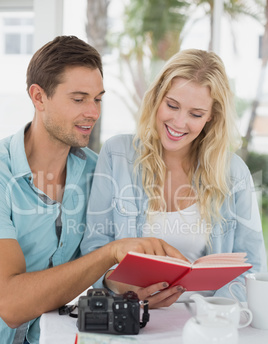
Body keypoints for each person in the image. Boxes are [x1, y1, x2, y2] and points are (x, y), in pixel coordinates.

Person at [0, 35, 186, 344]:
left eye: (98, 99)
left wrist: (131, 286)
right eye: (79, 99)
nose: (93, 112)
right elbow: (10, 303)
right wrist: (110, 253)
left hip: (48, 342)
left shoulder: (99, 173)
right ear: (38, 97)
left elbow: (101, 271)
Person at [81, 48, 267, 302]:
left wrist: (211, 310)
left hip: (208, 322)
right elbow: (95, 249)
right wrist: (125, 289)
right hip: (136, 318)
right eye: (172, 105)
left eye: (196, 114)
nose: (179, 123)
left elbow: (253, 267)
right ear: (157, 97)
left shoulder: (233, 172)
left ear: (211, 116)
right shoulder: (117, 154)